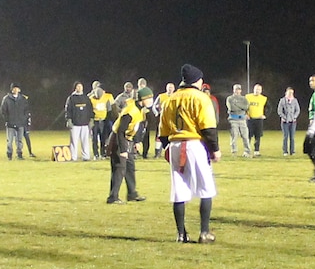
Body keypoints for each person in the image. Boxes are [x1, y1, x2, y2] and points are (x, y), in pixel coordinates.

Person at [158, 64, 219, 242]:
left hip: (175, 144)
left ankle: (181, 234)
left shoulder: (170, 99)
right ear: (197, 80)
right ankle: (204, 233)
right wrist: (214, 149)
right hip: (194, 144)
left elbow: (162, 131)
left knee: (179, 190)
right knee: (206, 188)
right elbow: (207, 127)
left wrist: (167, 147)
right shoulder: (200, 97)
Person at [106, 89, 150, 204]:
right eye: (149, 98)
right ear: (142, 99)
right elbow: (120, 130)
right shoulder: (131, 110)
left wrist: (136, 141)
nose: (151, 101)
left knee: (130, 167)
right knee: (119, 168)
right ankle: (113, 197)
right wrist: (123, 150)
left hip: (127, 139)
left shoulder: (140, 110)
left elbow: (136, 127)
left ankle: (132, 194)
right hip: (118, 139)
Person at [0, 83, 31, 160]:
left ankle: (19, 154)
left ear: (19, 89)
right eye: (14, 88)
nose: (15, 90)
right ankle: (9, 154)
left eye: (17, 88)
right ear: (11, 89)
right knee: (9, 141)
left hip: (20, 123)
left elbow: (26, 110)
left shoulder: (23, 99)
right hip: (10, 124)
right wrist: (7, 120)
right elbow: (3, 110)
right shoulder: (6, 99)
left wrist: (24, 119)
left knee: (19, 141)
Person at [64, 83, 92, 160]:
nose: (80, 88)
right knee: (74, 142)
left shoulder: (86, 98)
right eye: (78, 86)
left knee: (85, 141)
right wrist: (69, 120)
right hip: (75, 124)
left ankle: (86, 156)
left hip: (85, 123)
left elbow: (90, 109)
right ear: (75, 88)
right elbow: (68, 110)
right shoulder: (71, 98)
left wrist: (91, 119)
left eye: (81, 86)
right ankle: (73, 157)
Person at [88, 81, 115, 156]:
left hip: (103, 120)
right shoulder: (91, 98)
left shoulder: (106, 98)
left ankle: (103, 152)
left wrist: (108, 119)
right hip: (95, 121)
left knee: (103, 137)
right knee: (94, 138)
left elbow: (109, 109)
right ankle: (96, 154)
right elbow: (89, 110)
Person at [226, 84, 251, 156]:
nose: (237, 91)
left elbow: (246, 107)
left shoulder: (244, 98)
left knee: (245, 136)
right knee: (234, 136)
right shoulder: (229, 98)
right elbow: (231, 108)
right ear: (233, 90)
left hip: (242, 119)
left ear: (241, 90)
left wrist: (236, 104)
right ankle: (234, 151)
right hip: (233, 119)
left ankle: (247, 152)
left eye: (239, 89)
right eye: (236, 89)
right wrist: (241, 107)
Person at [245, 83, 269, 156]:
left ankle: (256, 151)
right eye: (256, 89)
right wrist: (245, 114)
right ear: (253, 89)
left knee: (257, 136)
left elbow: (269, 108)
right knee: (248, 136)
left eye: (259, 89)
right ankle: (247, 151)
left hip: (259, 120)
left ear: (261, 91)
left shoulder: (263, 98)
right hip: (250, 119)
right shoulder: (247, 97)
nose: (257, 91)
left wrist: (265, 115)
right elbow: (243, 106)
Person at [277, 86, 301, 155]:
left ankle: (292, 151)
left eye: (292, 93)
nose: (290, 94)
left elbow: (298, 110)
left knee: (292, 137)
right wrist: (284, 117)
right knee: (285, 136)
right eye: (289, 93)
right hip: (284, 122)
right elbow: (279, 111)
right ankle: (285, 151)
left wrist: (294, 117)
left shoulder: (295, 100)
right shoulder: (282, 100)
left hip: (293, 122)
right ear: (286, 93)